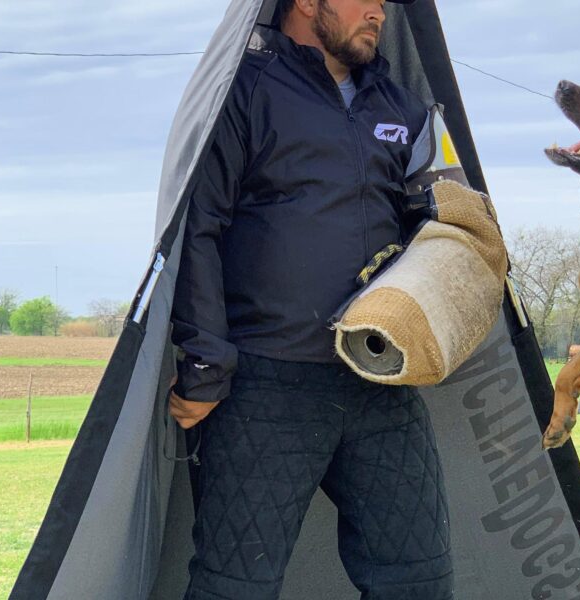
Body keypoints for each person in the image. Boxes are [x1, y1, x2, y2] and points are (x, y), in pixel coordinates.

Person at [167, 0, 454, 598]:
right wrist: (204, 364)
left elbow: (443, 232)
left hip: (381, 385)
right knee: (234, 587)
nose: (378, 11)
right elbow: (198, 228)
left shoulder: (403, 108)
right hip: (267, 385)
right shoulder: (244, 88)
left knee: (420, 582)